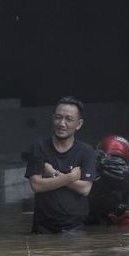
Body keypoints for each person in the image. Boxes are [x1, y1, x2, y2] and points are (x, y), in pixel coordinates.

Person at [24, 96, 98, 233]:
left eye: (69, 119)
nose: (62, 123)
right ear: (53, 119)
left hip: (76, 228)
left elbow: (85, 189)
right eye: (58, 117)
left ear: (79, 124)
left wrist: (53, 173)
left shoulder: (86, 151)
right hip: (43, 228)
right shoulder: (39, 147)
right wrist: (70, 177)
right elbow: (36, 185)